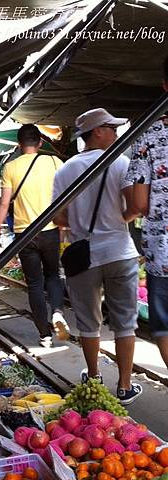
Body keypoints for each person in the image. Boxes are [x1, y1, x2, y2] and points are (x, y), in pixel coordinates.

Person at [53, 108, 142, 405]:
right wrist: (118, 220)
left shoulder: (65, 170)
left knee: (88, 322)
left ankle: (94, 377)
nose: (116, 133)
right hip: (119, 252)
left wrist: (79, 224)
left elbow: (58, 218)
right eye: (111, 128)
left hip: (83, 257)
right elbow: (134, 207)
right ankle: (125, 386)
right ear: (97, 132)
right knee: (125, 322)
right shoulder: (121, 163)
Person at [0, 124, 69, 347]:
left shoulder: (10, 168)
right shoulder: (54, 162)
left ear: (19, 145)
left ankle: (44, 335)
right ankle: (58, 311)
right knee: (53, 275)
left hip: (24, 235)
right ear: (41, 142)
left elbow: (3, 205)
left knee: (34, 284)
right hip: (50, 230)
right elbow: (65, 196)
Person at [125, 56, 168, 367]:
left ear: (165, 85)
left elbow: (139, 203)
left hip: (164, 254)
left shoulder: (150, 135)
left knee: (165, 326)